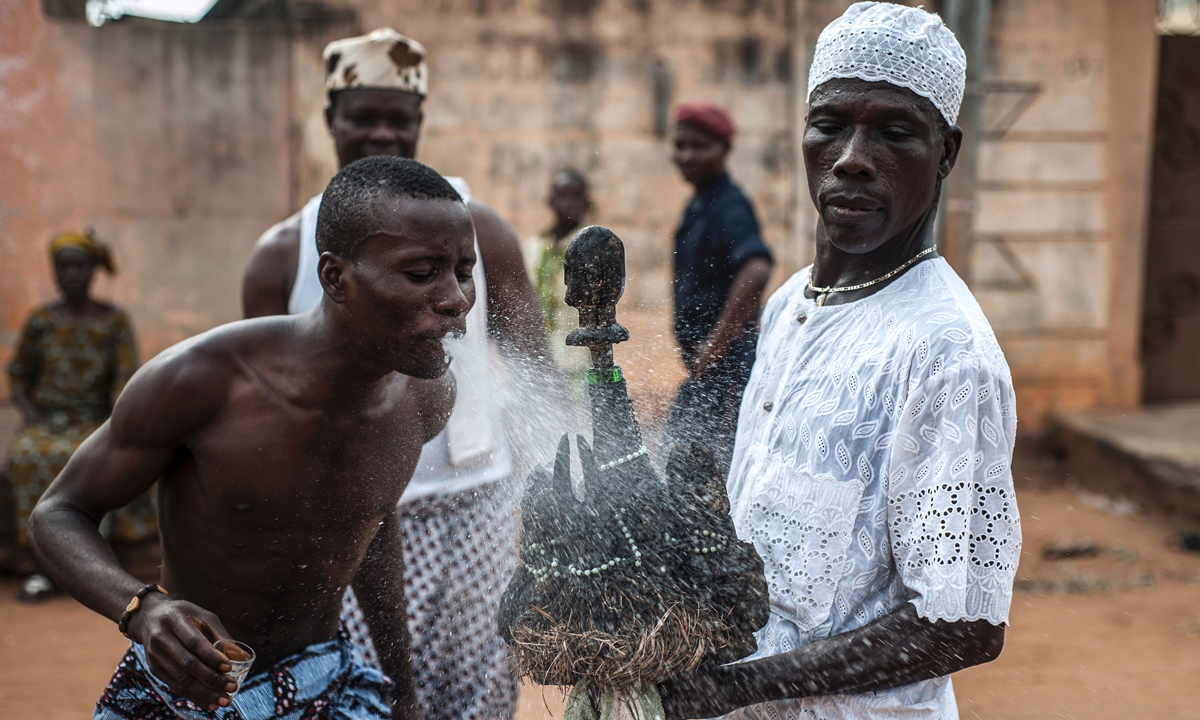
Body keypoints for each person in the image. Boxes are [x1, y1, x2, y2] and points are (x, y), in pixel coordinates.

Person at [657, 4, 1020, 719]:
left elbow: (963, 623)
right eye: (830, 126)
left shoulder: (947, 354)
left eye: (893, 133)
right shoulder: (793, 302)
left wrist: (741, 687)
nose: (853, 156)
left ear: (946, 153)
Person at [29, 156, 474, 720]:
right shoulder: (203, 380)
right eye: (421, 274)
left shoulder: (424, 397)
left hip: (324, 682)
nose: (456, 299)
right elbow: (57, 513)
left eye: (463, 270)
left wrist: (403, 693)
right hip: (186, 691)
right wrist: (142, 611)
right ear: (336, 277)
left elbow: (372, 524)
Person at [240, 29, 546, 720]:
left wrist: (553, 497)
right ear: (329, 122)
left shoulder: (480, 232)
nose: (382, 133)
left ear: (420, 125)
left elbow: (533, 368)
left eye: (398, 120)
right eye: (363, 117)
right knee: (362, 699)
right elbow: (265, 418)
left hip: (476, 502)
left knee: (478, 696)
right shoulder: (282, 255)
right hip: (343, 517)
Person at [6, 232, 155, 603]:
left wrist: (112, 425)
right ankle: (41, 566)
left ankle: (90, 568)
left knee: (93, 456)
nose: (71, 274)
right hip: (48, 422)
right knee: (27, 455)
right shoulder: (41, 321)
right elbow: (19, 377)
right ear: (54, 271)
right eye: (64, 266)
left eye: (79, 266)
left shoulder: (114, 322)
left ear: (93, 271)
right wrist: (33, 418)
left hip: (98, 421)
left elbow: (125, 384)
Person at [665, 103, 773, 476]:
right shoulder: (700, 203)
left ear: (724, 150)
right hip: (705, 374)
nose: (686, 156)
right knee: (680, 463)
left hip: (728, 372)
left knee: (716, 477)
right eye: (680, 146)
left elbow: (756, 268)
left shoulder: (729, 205)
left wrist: (716, 344)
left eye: (699, 146)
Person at [521, 169, 593, 380]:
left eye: (574, 196)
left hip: (578, 362)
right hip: (537, 361)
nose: (567, 203)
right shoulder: (532, 249)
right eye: (562, 195)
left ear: (585, 202)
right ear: (550, 201)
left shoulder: (593, 248)